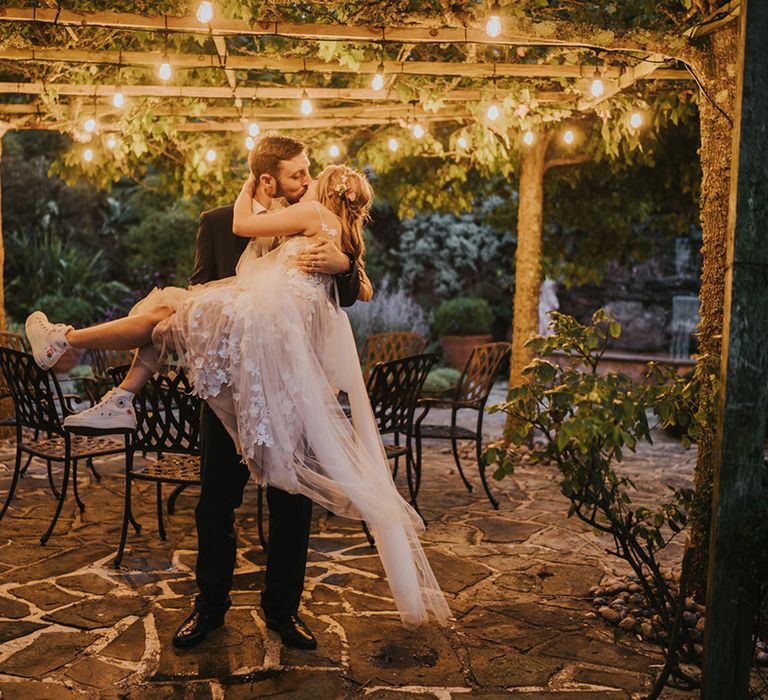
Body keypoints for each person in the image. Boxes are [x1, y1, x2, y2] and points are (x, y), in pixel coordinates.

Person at [26, 154, 451, 634]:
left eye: (309, 174)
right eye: (297, 173)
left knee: (291, 502)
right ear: (267, 177)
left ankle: (283, 611)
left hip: (291, 387)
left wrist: (346, 264)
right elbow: (201, 287)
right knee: (215, 501)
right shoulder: (219, 222)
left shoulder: (318, 223)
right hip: (231, 383)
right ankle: (209, 606)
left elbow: (350, 292)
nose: (306, 180)